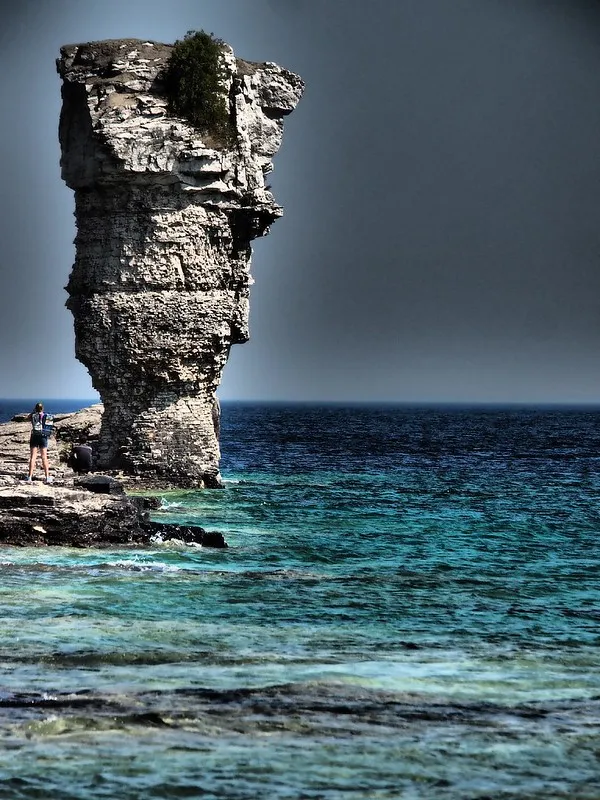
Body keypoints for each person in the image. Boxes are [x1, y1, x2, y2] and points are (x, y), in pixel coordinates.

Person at [25, 402, 53, 484]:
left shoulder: (33, 415)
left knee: (33, 456)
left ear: (35, 408)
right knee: (44, 457)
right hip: (43, 436)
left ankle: (29, 477)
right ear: (42, 408)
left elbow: (26, 418)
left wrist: (33, 411)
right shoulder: (46, 415)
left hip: (34, 436)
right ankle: (47, 477)